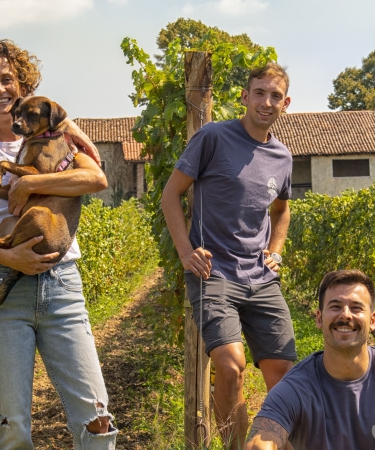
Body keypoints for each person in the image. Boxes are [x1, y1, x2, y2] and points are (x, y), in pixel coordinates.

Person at [0, 37, 115, 449]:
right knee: (12, 426)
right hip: (0, 283)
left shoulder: (57, 138)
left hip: (62, 284)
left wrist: (31, 181)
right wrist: (9, 255)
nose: (0, 89)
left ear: (23, 86)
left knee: (98, 419)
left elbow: (97, 179)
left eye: (8, 79)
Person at [161, 62, 296, 449]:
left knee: (284, 374)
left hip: (261, 276)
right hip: (214, 273)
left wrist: (276, 250)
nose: (266, 102)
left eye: (275, 96)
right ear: (245, 96)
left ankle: (272, 443)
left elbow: (281, 209)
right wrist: (186, 252)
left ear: (285, 103)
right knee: (231, 367)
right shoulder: (213, 137)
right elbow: (170, 195)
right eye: (259, 93)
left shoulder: (282, 157)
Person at [246, 270, 375, 450]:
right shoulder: (294, 388)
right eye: (335, 306)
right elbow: (261, 442)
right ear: (319, 318)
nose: (345, 315)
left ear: (373, 320)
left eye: (356, 308)